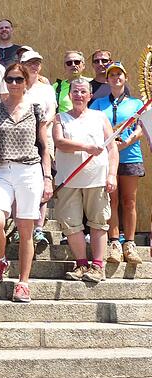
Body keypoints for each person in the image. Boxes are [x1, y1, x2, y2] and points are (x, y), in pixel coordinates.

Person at [0, 64, 53, 302]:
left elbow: (44, 146)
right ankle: (1, 259)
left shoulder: (36, 109)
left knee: (26, 230)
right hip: (1, 170)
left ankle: (23, 282)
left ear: (26, 82)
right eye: (10, 79)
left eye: (18, 79)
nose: (14, 83)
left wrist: (47, 177)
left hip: (29, 170)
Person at [53, 77, 117, 283]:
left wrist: (112, 174)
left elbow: (112, 148)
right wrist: (86, 147)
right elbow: (60, 142)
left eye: (83, 92)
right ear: (69, 95)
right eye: (75, 92)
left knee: (98, 223)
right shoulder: (60, 118)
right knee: (71, 224)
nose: (79, 95)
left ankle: (98, 267)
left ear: (90, 95)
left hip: (97, 178)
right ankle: (81, 264)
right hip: (68, 180)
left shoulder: (100, 117)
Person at [91, 62, 145, 265]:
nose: (115, 78)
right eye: (111, 75)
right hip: (106, 158)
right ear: (107, 79)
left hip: (130, 155)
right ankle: (114, 242)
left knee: (129, 200)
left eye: (119, 74)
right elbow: (94, 126)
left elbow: (141, 127)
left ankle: (129, 243)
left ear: (125, 77)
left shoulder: (136, 103)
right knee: (111, 201)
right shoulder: (98, 103)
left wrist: (129, 141)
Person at [21, 51, 58, 247]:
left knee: (44, 180)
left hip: (44, 138)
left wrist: (41, 124)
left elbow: (52, 109)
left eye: (37, 63)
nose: (34, 66)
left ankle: (38, 227)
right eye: (30, 63)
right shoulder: (18, 85)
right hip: (21, 140)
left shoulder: (46, 89)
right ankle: (21, 226)